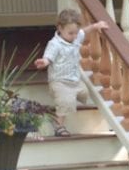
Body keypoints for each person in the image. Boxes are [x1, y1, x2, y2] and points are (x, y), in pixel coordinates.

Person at [34, 9, 108, 137]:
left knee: (84, 92)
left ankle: (71, 100)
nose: (74, 36)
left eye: (75, 33)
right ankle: (59, 126)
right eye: (70, 33)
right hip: (59, 81)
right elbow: (49, 56)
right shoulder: (54, 44)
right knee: (65, 103)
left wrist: (96, 26)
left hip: (74, 79)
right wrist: (44, 62)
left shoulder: (76, 36)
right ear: (60, 28)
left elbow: (83, 31)